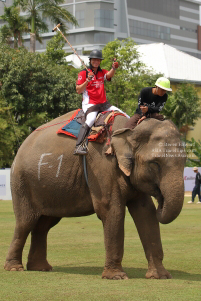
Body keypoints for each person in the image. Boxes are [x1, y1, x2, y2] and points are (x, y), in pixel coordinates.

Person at [74, 49, 129, 155]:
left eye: (98, 60)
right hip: (90, 104)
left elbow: (109, 75)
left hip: (103, 104)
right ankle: (78, 146)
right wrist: (87, 80)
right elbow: (78, 90)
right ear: (90, 60)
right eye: (94, 60)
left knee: (124, 115)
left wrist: (114, 68)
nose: (96, 62)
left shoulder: (101, 72)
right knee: (90, 120)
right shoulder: (84, 72)